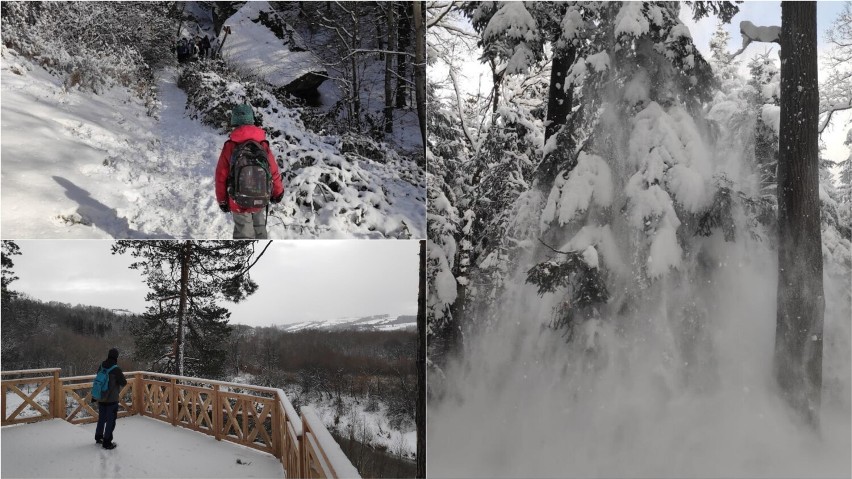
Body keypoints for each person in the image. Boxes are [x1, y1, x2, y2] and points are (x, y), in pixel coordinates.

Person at [215, 104, 284, 239]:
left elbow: (221, 177)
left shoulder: (230, 146)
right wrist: (278, 192)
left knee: (244, 234)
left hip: (238, 200)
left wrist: (222, 200)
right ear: (252, 120)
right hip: (261, 197)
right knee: (260, 229)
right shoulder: (263, 145)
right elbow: (273, 171)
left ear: (234, 122)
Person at [92, 348, 127, 450]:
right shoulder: (116, 369)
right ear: (116, 357)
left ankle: (99, 437)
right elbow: (123, 383)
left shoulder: (102, 365)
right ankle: (107, 442)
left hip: (101, 397)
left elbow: (98, 376)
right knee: (110, 421)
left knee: (101, 419)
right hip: (112, 400)